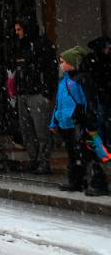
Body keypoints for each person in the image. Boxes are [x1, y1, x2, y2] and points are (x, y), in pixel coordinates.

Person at [51, 46, 109, 197]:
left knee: (88, 153)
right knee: (74, 153)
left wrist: (89, 120)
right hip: (68, 123)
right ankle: (77, 180)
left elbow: (89, 101)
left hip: (80, 122)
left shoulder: (82, 79)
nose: (61, 65)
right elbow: (58, 104)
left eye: (63, 61)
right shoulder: (64, 81)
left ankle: (97, 182)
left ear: (72, 62)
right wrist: (54, 122)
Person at [11, 19, 58, 174]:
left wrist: (47, 92)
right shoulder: (22, 46)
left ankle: (44, 161)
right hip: (24, 92)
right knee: (27, 130)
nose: (17, 33)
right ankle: (34, 158)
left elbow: (51, 70)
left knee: (41, 129)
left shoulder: (42, 45)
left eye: (19, 29)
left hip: (37, 93)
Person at [86, 36, 111, 146]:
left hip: (101, 96)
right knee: (100, 121)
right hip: (98, 96)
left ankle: (102, 145)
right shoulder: (94, 60)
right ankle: (102, 145)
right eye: (107, 47)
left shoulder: (95, 60)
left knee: (103, 121)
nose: (108, 49)